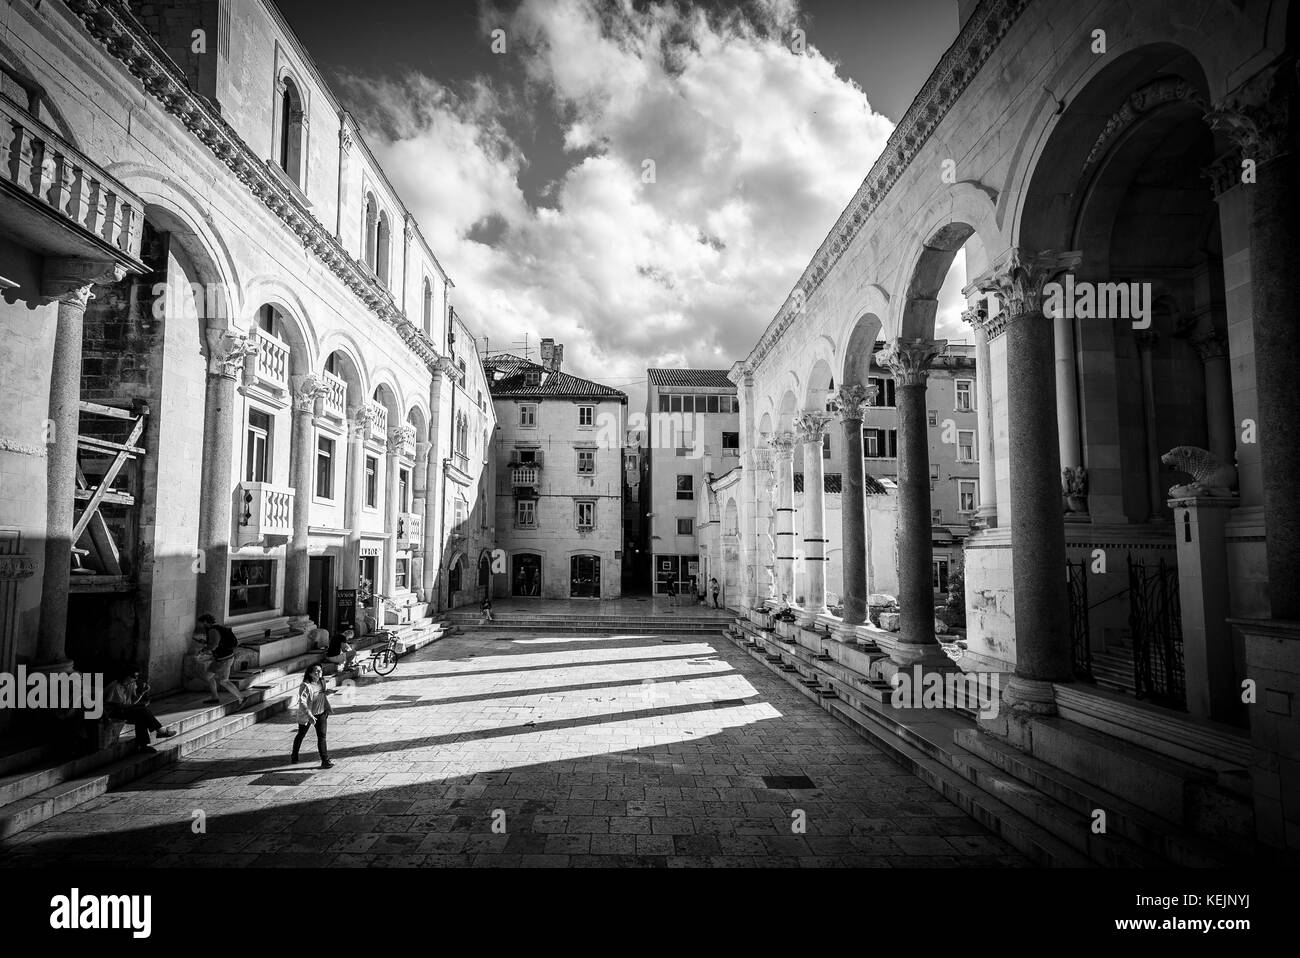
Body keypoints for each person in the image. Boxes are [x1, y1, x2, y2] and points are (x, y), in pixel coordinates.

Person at [105, 665, 176, 753]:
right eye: (134, 677)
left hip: (125, 710)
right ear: (127, 676)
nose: (136, 679)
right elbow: (118, 707)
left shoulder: (131, 685)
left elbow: (132, 702)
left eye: (137, 676)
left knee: (142, 715)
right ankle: (160, 731)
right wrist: (137, 706)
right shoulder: (115, 687)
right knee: (142, 711)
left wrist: (142, 693)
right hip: (113, 713)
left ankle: (143, 745)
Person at [196, 613, 246, 708]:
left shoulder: (213, 630)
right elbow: (217, 642)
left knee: (224, 681)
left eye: (201, 623)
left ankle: (241, 698)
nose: (201, 626)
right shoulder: (216, 629)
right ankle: (214, 697)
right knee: (207, 676)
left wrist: (203, 651)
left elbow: (214, 645)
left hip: (224, 659)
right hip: (220, 658)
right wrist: (206, 643)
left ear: (206, 622)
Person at [291, 664, 333, 768]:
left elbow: (322, 695)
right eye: (316, 671)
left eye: (320, 670)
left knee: (322, 737)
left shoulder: (322, 681)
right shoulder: (305, 685)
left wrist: (327, 701)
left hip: (321, 714)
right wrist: (309, 715)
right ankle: (294, 754)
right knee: (301, 734)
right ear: (310, 673)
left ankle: (325, 760)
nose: (319, 673)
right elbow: (302, 702)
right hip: (308, 715)